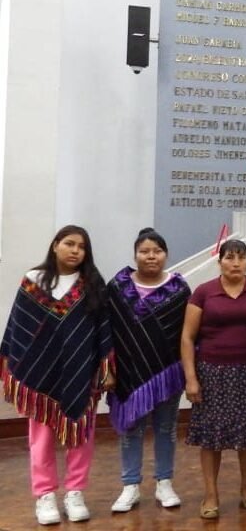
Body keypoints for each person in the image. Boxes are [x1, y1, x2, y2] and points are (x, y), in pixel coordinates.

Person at [0, 225, 111, 525]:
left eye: (82, 246)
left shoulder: (92, 284)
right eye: (69, 244)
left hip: (81, 372)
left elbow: (102, 330)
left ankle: (75, 492)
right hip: (39, 373)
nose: (75, 251)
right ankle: (45, 495)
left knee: (81, 436)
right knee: (41, 438)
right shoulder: (33, 281)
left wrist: (105, 366)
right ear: (55, 245)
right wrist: (14, 364)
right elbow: (18, 328)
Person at [181, 239, 246, 520]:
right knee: (212, 437)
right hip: (212, 373)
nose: (236, 263)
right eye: (230, 257)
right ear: (219, 261)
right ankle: (211, 494)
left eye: (241, 257)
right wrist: (191, 378)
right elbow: (187, 337)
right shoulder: (203, 292)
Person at [106, 228, 192, 513]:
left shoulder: (179, 290)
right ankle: (129, 486)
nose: (151, 256)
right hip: (128, 373)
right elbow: (106, 332)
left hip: (167, 374)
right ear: (135, 255)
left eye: (156, 251)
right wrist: (107, 369)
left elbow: (187, 334)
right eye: (144, 251)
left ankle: (164, 483)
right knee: (131, 429)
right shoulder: (117, 287)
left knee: (166, 429)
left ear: (166, 254)